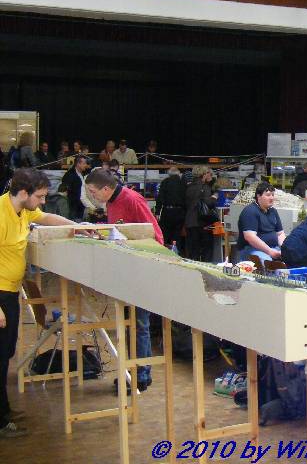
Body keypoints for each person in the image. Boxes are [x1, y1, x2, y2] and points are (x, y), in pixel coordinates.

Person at [1, 168, 76, 438]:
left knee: (5, 353)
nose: (43, 201)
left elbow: (46, 218)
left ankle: (3, 410)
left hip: (10, 292)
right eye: (41, 196)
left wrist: (76, 226)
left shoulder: (24, 210)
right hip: (0, 295)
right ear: (24, 193)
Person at [85, 169, 163, 392]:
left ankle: (141, 375)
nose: (91, 196)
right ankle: (133, 371)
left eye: (93, 192)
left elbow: (155, 235)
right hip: (126, 269)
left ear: (106, 188)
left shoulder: (132, 199)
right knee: (130, 324)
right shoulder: (111, 202)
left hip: (142, 268)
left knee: (139, 324)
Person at [236, 182, 285, 265]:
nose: (271, 198)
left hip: (274, 248)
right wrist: (270, 251)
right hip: (253, 249)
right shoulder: (250, 211)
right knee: (269, 264)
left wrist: (284, 249)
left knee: (290, 260)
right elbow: (250, 237)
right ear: (258, 196)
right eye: (268, 195)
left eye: (273, 195)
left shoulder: (273, 211)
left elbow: (280, 234)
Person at [185, 165, 217, 262]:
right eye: (207, 172)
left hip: (190, 221)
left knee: (193, 251)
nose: (209, 174)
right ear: (203, 174)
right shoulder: (205, 187)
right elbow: (208, 203)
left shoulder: (188, 186)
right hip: (203, 222)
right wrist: (214, 197)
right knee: (206, 250)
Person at [155, 166, 186, 252]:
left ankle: (165, 251)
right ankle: (176, 251)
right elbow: (186, 198)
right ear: (178, 174)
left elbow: (160, 198)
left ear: (169, 174)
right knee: (177, 234)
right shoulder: (183, 183)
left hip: (167, 211)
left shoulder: (165, 182)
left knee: (166, 233)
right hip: (180, 211)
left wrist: (157, 212)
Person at [61, 154, 93, 221]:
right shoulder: (70, 175)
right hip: (73, 206)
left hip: (81, 205)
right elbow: (64, 190)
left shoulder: (83, 172)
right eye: (84, 163)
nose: (86, 165)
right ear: (78, 164)